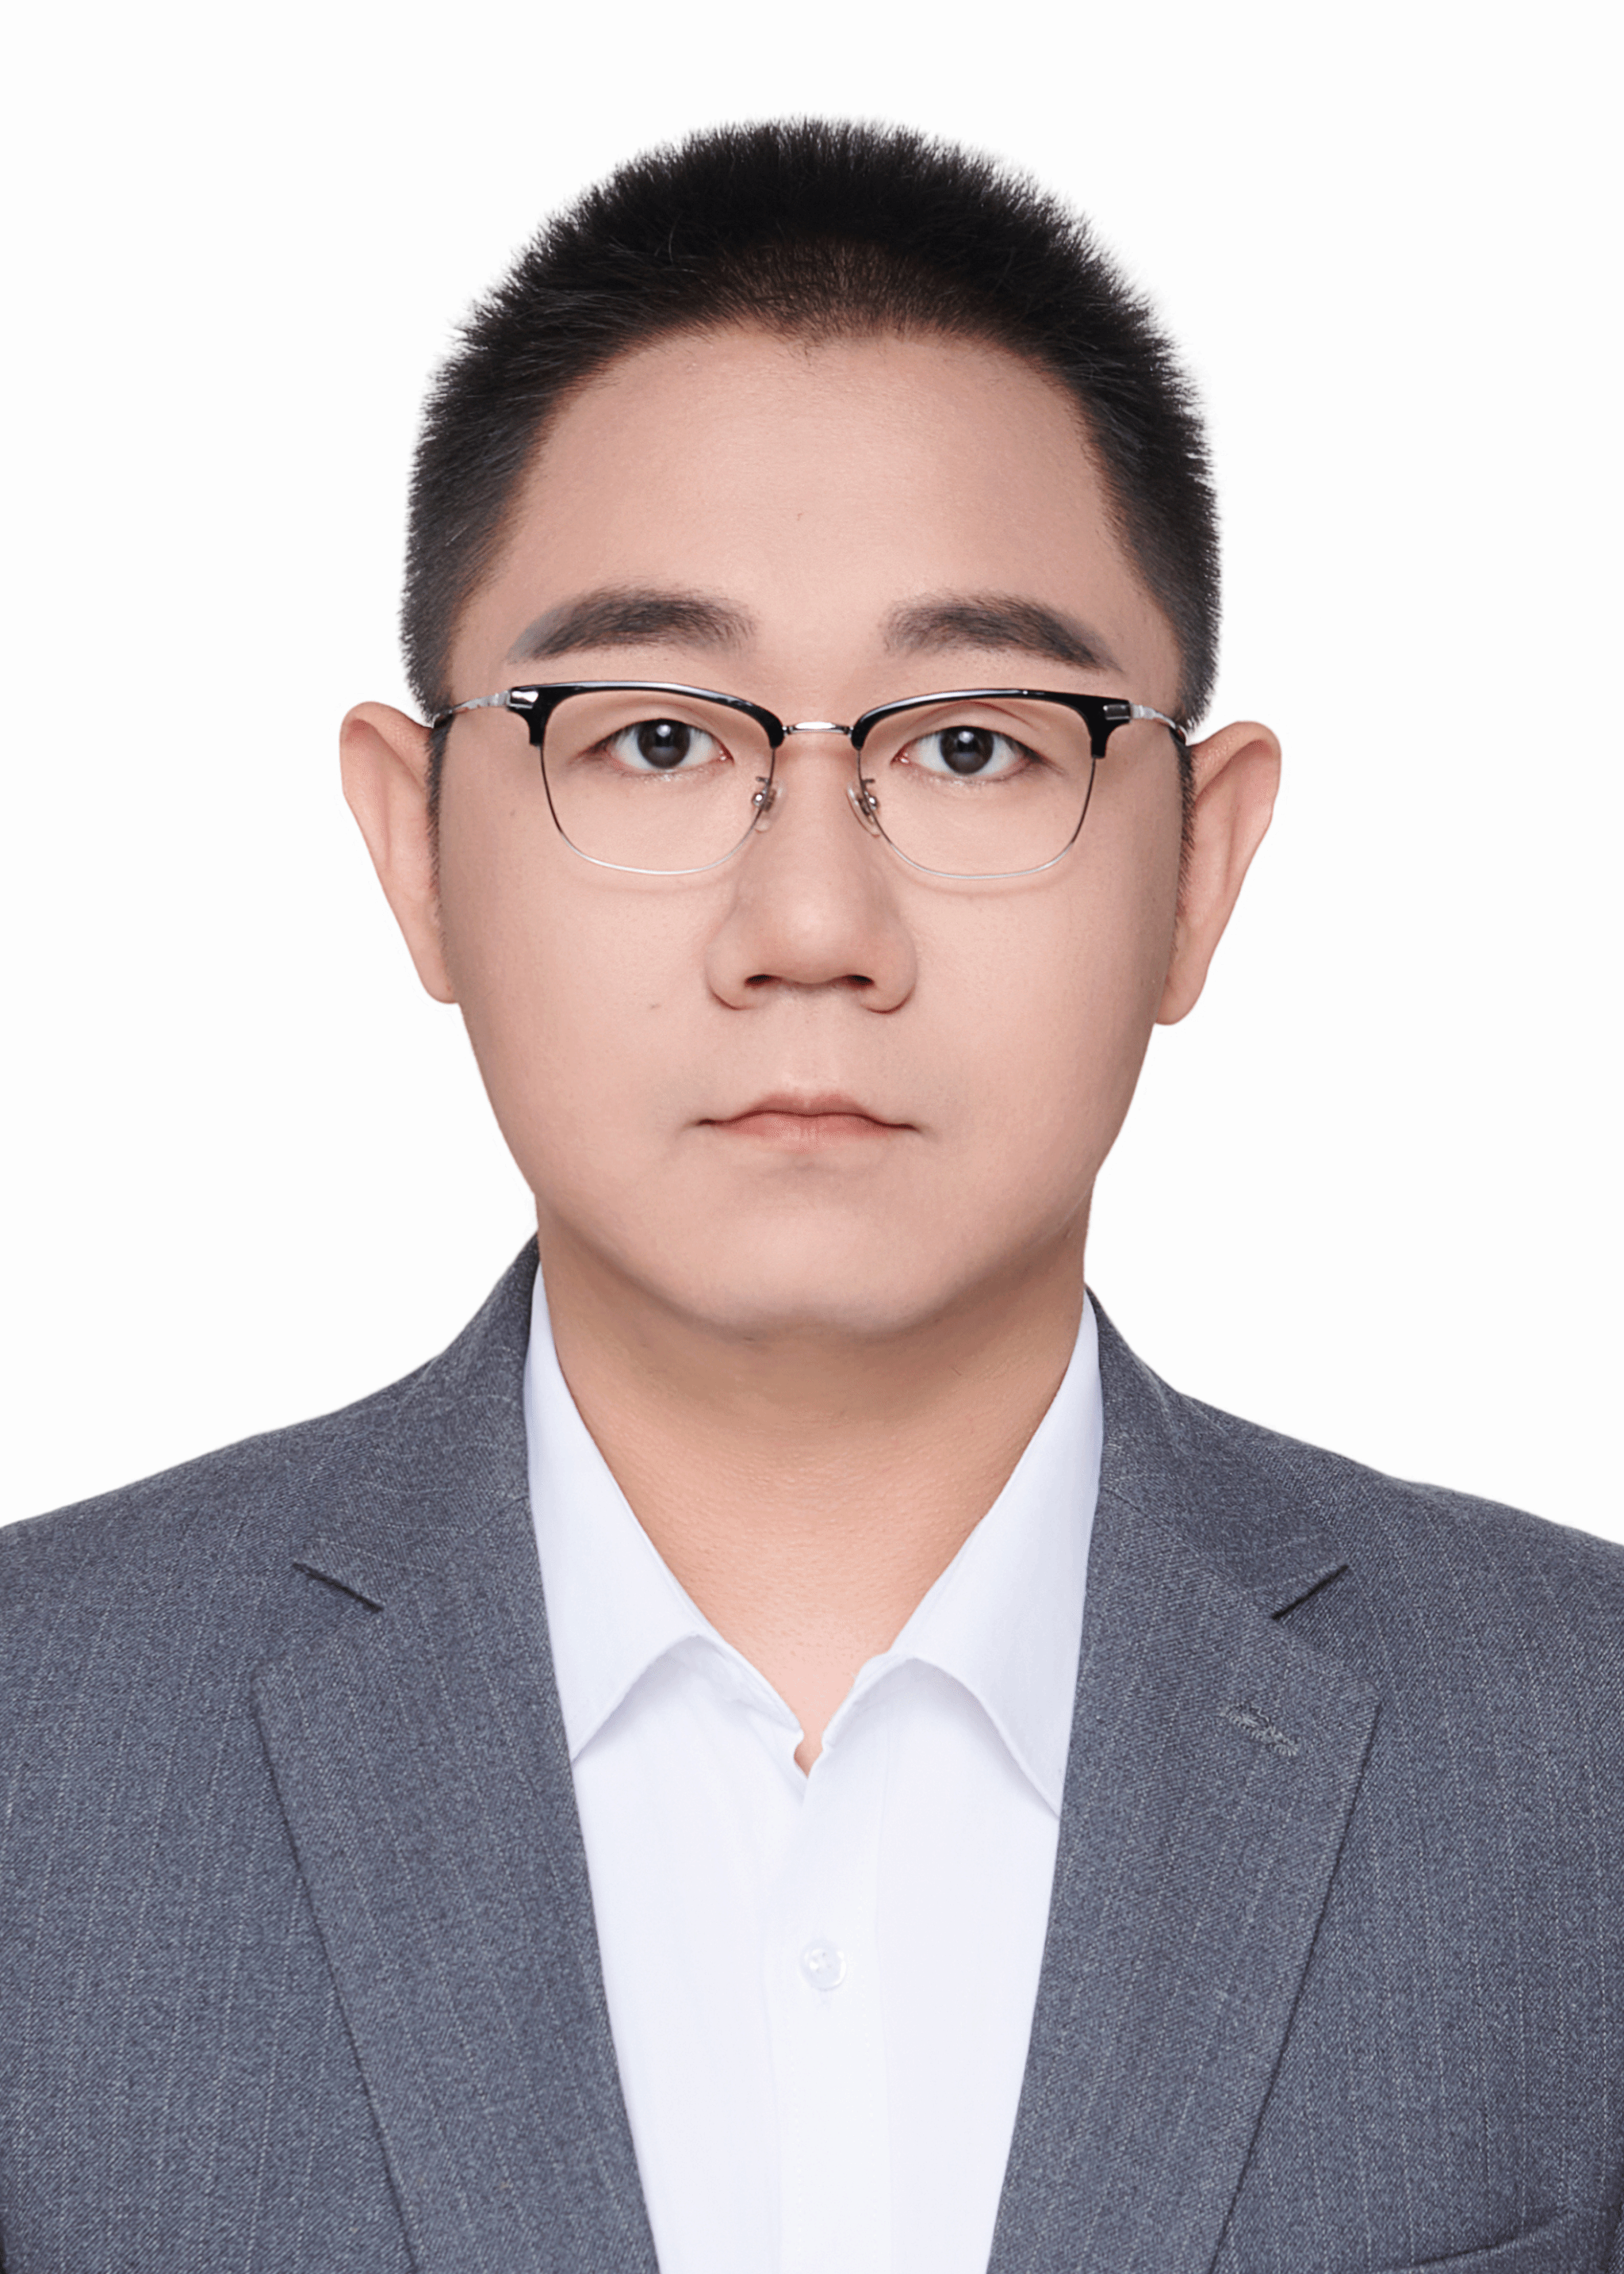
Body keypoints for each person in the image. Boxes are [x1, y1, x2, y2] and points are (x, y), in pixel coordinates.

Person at [2, 117, 1619, 2274]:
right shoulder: (40, 1748)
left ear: (1199, 871)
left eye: (974, 744)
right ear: (416, 846)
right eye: (658, 739)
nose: (811, 926)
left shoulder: (1579, 1752)